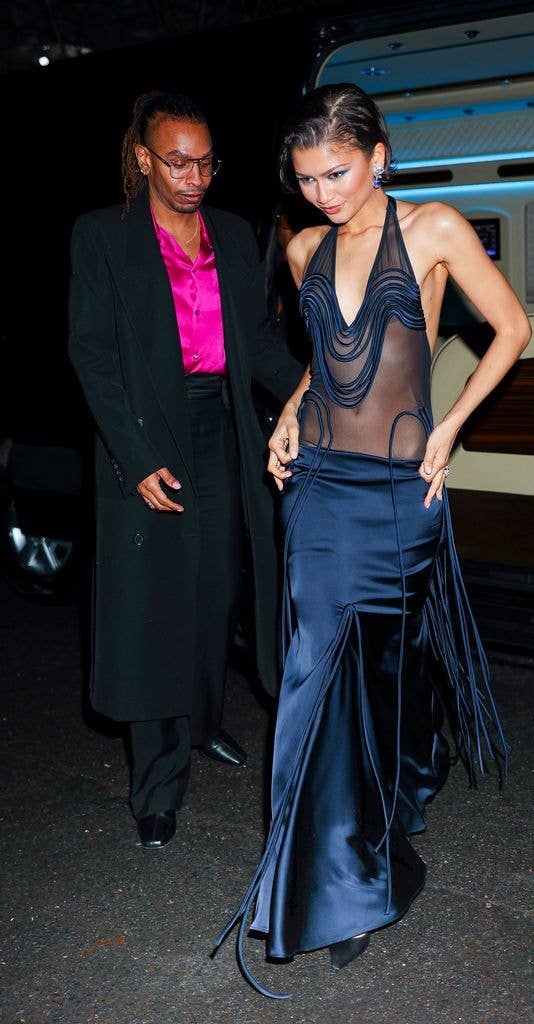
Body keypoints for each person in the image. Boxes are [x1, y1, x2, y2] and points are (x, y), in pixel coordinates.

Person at [212, 82, 531, 997]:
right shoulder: (303, 247)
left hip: (398, 492)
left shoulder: (432, 229)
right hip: (316, 488)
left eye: (339, 173)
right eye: (308, 178)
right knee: (314, 680)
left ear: (379, 156)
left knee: (379, 678)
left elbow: (513, 327)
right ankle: (328, 884)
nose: (324, 194)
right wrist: (290, 412)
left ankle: (374, 843)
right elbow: (325, 362)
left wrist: (451, 427)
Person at [68, 91, 302, 850]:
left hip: (223, 429)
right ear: (144, 158)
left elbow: (255, 342)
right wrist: (133, 458)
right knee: (155, 610)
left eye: (206, 163)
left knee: (217, 593)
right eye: (178, 162)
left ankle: (202, 723)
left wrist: (316, 386)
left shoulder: (230, 232)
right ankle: (158, 782)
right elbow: (92, 356)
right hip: (147, 432)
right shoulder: (103, 235)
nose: (195, 177)